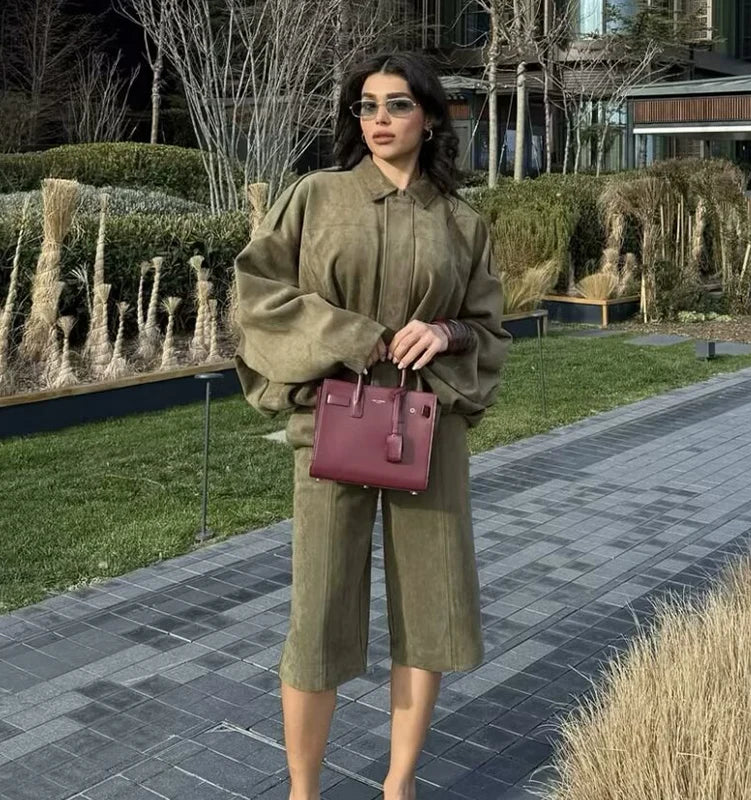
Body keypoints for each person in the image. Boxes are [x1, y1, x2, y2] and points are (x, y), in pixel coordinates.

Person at [233, 50, 511, 800]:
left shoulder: (461, 221)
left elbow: (490, 328)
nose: (379, 120)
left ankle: (399, 784)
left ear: (431, 117)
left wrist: (448, 332)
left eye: (396, 105)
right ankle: (303, 790)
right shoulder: (316, 197)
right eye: (366, 106)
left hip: (428, 427)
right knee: (318, 613)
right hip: (334, 422)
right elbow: (258, 294)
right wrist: (355, 336)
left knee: (430, 606)